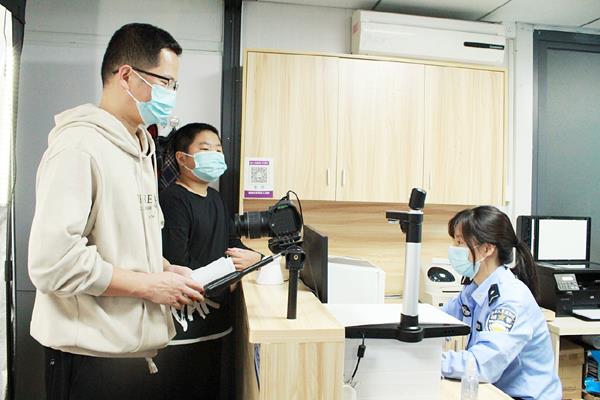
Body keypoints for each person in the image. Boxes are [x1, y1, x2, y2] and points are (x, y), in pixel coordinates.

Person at [27, 23, 204, 400]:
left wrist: (164, 270)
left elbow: (122, 243)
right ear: (126, 76)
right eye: (165, 82)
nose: (171, 95)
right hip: (89, 359)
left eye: (175, 86)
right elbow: (53, 263)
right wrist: (151, 286)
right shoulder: (79, 146)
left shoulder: (140, 150)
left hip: (132, 358)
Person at [156, 123, 262, 400]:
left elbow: (231, 243)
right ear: (182, 158)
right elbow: (179, 266)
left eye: (218, 150)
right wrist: (231, 276)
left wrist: (256, 258)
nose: (215, 155)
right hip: (184, 330)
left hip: (216, 325)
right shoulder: (172, 200)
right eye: (205, 149)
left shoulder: (215, 198)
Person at [441, 206, 562, 399]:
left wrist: (431, 362)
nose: (454, 249)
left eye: (460, 242)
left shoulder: (511, 300)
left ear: (487, 249)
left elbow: (481, 365)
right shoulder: (475, 289)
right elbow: (439, 321)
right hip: (496, 391)